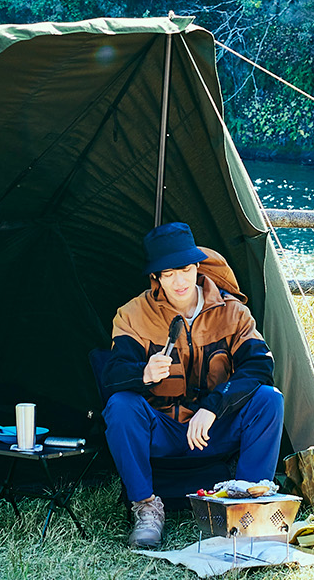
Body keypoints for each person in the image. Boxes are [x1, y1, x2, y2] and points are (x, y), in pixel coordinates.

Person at [99, 222, 284, 548]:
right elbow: (112, 374)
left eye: (184, 269)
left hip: (215, 430)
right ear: (155, 277)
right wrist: (142, 373)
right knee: (121, 406)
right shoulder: (132, 315)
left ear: (197, 266)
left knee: (269, 400)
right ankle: (146, 508)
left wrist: (214, 407)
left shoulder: (232, 312)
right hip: (163, 431)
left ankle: (247, 507)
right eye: (167, 274)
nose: (179, 281)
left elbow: (259, 366)